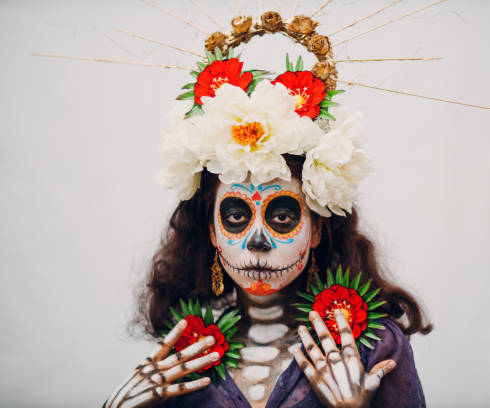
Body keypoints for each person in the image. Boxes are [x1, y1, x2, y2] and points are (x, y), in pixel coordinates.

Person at [102, 10, 432, 408]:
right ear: (210, 229)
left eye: (281, 217)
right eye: (237, 216)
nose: (257, 241)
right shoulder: (187, 349)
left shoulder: (374, 344)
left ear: (317, 229)